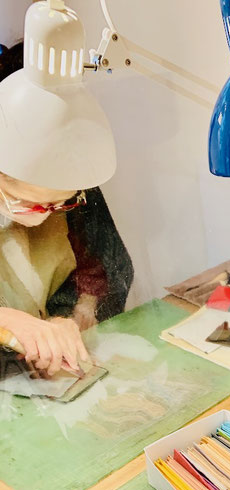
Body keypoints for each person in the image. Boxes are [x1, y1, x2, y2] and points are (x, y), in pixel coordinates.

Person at [0, 41, 133, 377]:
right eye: (28, 203)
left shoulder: (71, 178)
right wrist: (6, 321)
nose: (45, 214)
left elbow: (105, 267)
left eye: (61, 203)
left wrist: (74, 315)